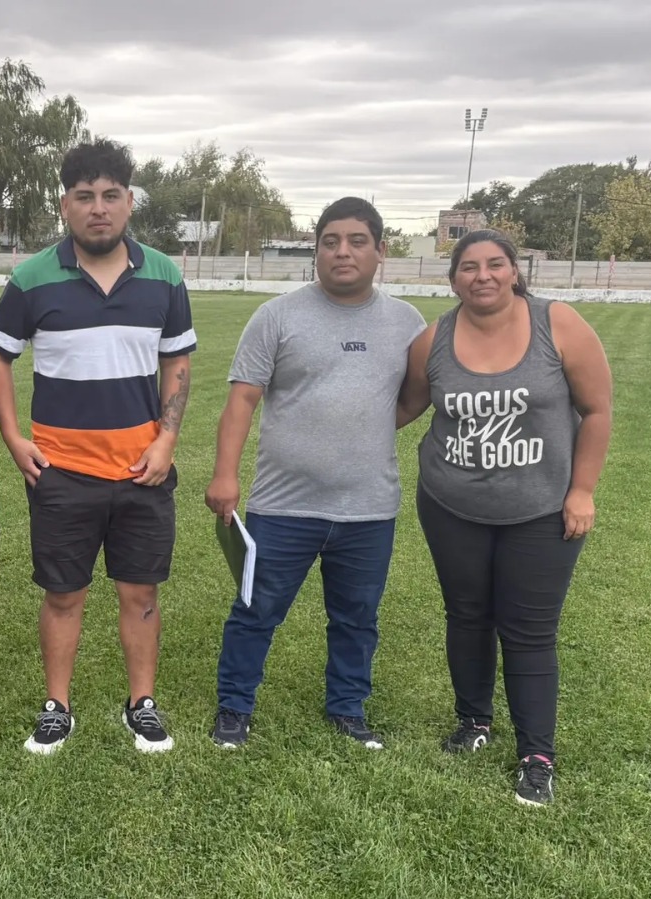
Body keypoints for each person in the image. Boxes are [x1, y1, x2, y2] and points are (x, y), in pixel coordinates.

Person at [0, 138, 196, 755]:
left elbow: (177, 360)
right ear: (65, 206)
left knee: (141, 592)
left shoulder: (163, 274)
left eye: (110, 196)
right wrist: (13, 436)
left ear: (129, 202)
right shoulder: (31, 278)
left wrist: (168, 439)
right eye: (85, 197)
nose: (98, 208)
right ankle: (58, 706)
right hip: (63, 471)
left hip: (142, 471)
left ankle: (142, 704)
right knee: (63, 594)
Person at [397, 229, 613, 806]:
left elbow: (596, 410)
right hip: (450, 506)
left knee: (529, 632)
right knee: (466, 615)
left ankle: (536, 755)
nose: (483, 275)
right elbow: (406, 406)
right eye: (468, 267)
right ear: (453, 279)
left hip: (541, 510)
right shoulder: (433, 339)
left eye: (495, 264)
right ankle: (473, 722)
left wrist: (582, 490)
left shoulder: (558, 324)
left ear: (515, 272)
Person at [204, 197, 426, 751]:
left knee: (357, 618)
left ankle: (348, 709)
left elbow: (413, 398)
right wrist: (224, 476)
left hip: (369, 508)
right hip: (283, 505)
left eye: (356, 241)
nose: (342, 252)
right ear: (317, 249)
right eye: (330, 241)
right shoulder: (277, 316)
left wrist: (368, 429)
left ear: (381, 250)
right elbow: (241, 403)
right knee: (256, 610)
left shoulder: (407, 322)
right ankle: (234, 708)